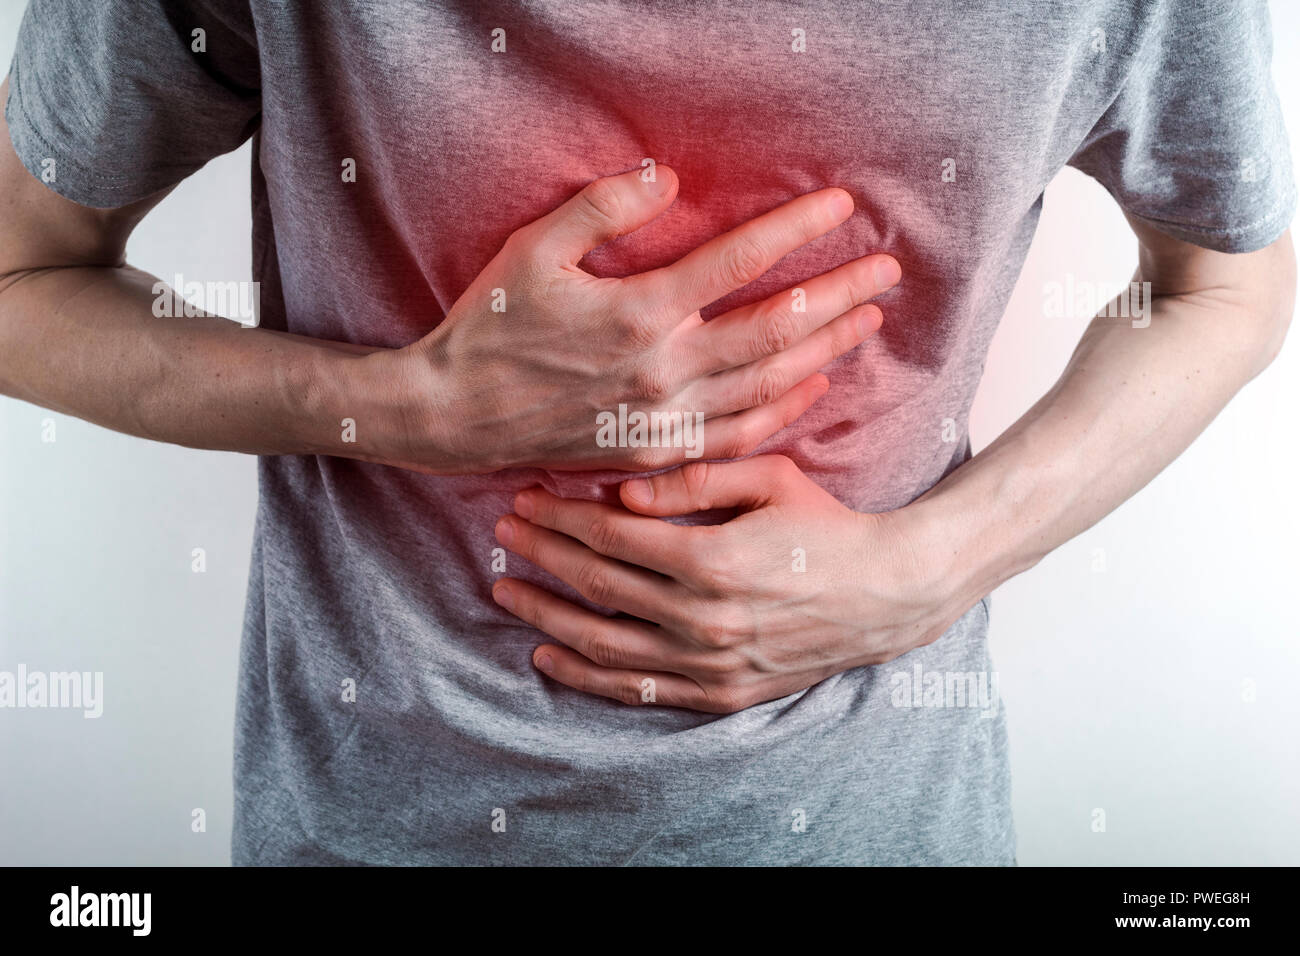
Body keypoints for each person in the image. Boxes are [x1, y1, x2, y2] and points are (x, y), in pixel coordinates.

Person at [0, 0, 1293, 865]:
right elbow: (18, 282)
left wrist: (930, 569)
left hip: (870, 824)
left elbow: (1227, 281)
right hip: (367, 824)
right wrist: (408, 406)